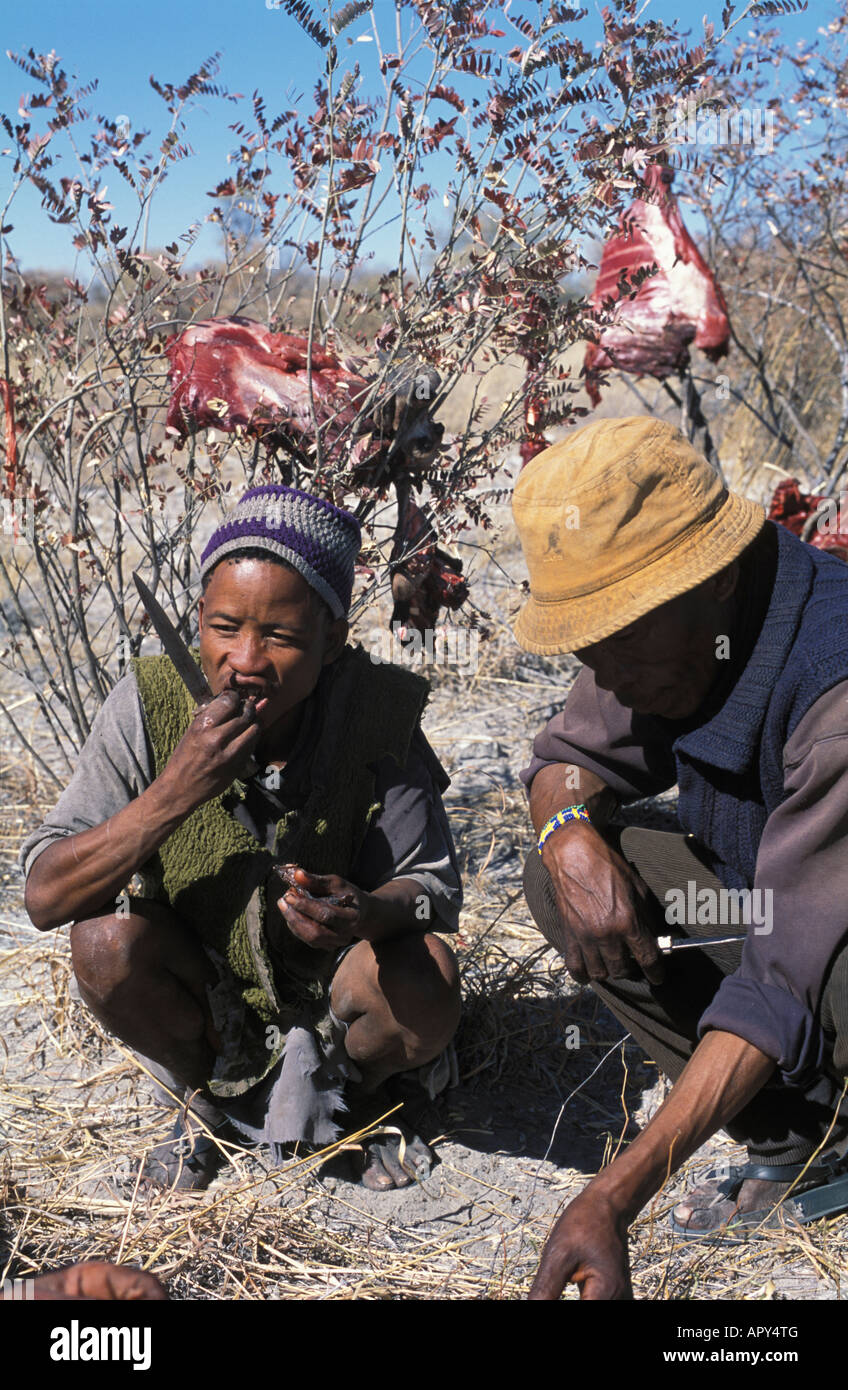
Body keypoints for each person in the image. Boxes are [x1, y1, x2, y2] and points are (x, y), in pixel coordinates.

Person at [21, 485, 462, 1193]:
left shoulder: (377, 713)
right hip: (205, 991)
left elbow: (432, 893)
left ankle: (359, 1087)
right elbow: (45, 896)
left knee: (427, 975)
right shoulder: (150, 703)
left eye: (281, 637)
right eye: (224, 627)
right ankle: (208, 1089)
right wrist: (175, 791)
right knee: (103, 944)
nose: (245, 659)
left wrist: (365, 912)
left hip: (333, 991)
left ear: (334, 637)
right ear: (197, 620)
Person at [511, 415, 848, 1299]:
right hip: (768, 912)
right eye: (587, 645)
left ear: (718, 577)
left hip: (825, 946)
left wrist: (612, 1199)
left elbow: (782, 978)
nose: (605, 676)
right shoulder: (672, 632)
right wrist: (567, 835)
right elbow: (565, 762)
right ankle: (798, 1139)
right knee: (566, 881)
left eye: (620, 640)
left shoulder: (833, 687)